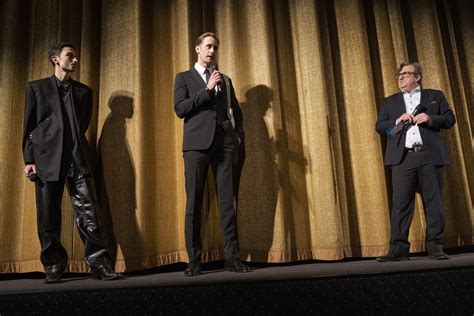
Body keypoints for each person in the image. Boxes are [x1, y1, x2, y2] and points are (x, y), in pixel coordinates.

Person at [22, 43, 119, 282]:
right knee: (48, 215)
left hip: (77, 157)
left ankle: (99, 264)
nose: (75, 60)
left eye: (76, 56)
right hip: (46, 159)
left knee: (89, 214)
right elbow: (29, 126)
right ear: (55, 59)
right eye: (70, 56)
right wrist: (29, 159)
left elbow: (82, 125)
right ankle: (54, 264)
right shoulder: (36, 88)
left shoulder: (83, 92)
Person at [174, 32, 251, 276]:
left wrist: (237, 135)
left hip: (224, 145)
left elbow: (236, 111)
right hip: (197, 145)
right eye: (208, 46)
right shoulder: (184, 78)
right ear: (197, 49)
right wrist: (206, 91)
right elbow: (180, 108)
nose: (212, 51)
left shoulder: (225, 80)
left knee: (227, 203)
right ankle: (194, 260)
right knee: (194, 204)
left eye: (215, 47)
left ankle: (233, 257)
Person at [375, 62, 456, 261]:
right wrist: (396, 121)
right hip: (402, 159)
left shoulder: (435, 96)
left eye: (406, 74)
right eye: (399, 74)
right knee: (401, 204)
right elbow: (379, 126)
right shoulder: (390, 101)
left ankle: (435, 247)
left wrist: (430, 119)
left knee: (433, 203)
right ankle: (398, 249)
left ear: (417, 77)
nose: (401, 77)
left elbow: (449, 119)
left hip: (429, 156)